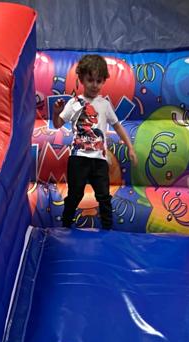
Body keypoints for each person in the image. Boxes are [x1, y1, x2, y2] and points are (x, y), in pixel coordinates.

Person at [52, 53, 137, 230]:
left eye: (99, 81)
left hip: (99, 160)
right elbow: (58, 124)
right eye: (90, 80)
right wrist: (56, 112)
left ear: (104, 81)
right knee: (75, 195)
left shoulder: (104, 104)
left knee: (104, 196)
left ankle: (108, 231)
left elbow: (118, 126)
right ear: (82, 79)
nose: (95, 85)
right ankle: (65, 227)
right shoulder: (75, 103)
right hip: (79, 158)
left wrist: (130, 147)